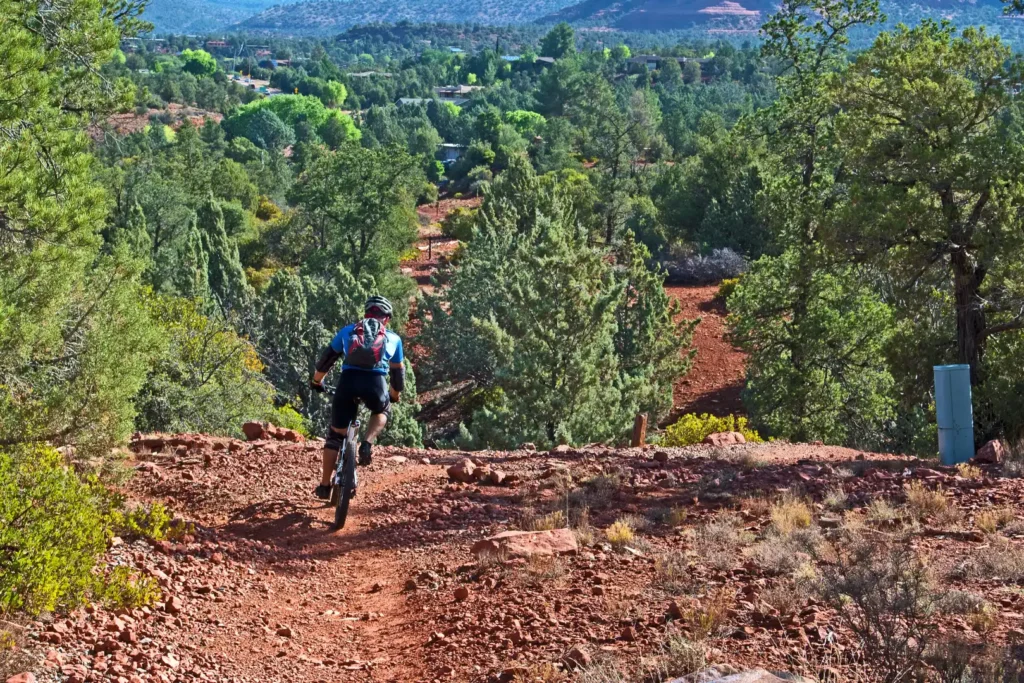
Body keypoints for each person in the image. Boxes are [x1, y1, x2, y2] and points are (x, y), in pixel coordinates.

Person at [309, 295, 405, 500]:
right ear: (386, 319)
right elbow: (398, 375)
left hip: (348, 383)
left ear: (366, 314)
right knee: (382, 409)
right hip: (376, 385)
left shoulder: (347, 331)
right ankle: (367, 442)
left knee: (335, 436)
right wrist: (394, 396)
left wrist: (316, 382)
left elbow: (327, 360)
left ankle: (325, 486)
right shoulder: (394, 338)